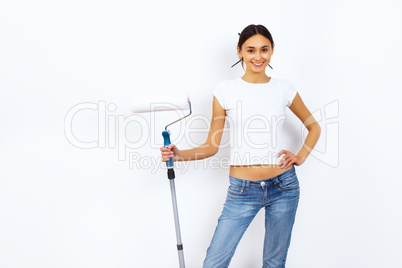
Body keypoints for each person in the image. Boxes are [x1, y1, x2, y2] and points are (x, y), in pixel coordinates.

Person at [160, 24, 321, 268]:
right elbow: (212, 146)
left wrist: (300, 156)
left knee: (274, 263)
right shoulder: (224, 91)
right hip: (242, 190)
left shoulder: (284, 88)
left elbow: (314, 127)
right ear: (240, 52)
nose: (258, 57)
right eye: (251, 50)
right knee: (215, 262)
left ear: (272, 50)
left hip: (284, 186)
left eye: (264, 49)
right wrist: (180, 154)